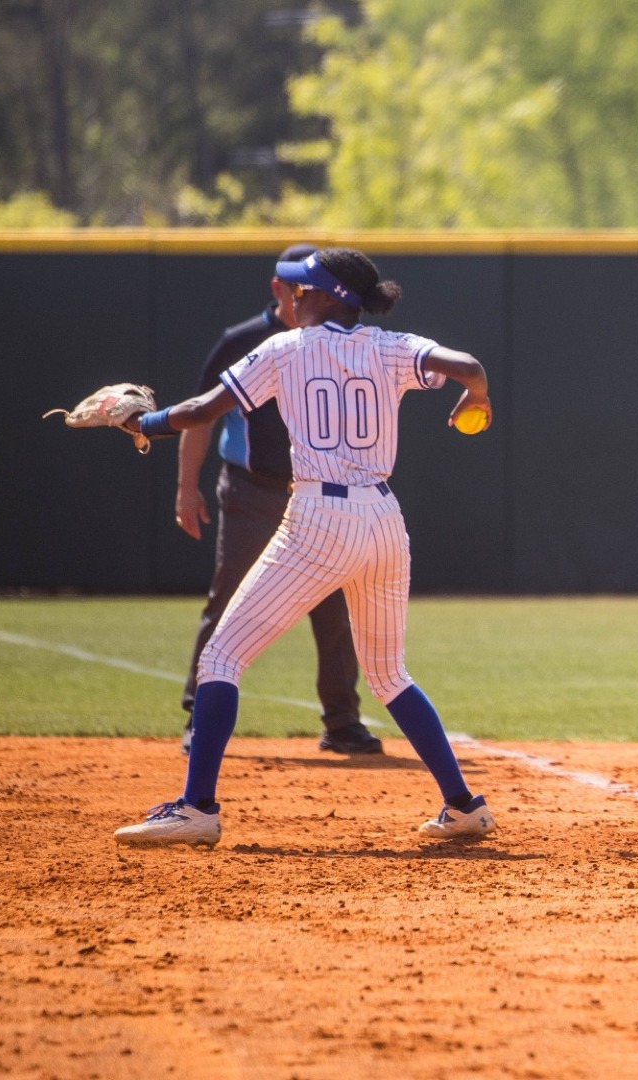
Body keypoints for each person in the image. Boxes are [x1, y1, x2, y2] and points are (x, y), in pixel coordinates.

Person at [112, 247, 498, 848]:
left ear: (326, 296)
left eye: (300, 289)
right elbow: (469, 364)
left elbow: (202, 410)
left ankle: (197, 808)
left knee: (220, 660)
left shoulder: (283, 349)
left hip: (319, 518)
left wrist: (145, 423)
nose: (290, 297)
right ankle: (463, 804)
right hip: (383, 518)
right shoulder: (390, 346)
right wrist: (475, 397)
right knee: (390, 673)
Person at [175, 242, 377, 757]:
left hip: (319, 498)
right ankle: (200, 714)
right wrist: (186, 486)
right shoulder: (244, 341)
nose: (302, 297)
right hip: (253, 492)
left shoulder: (340, 341)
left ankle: (342, 721)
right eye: (297, 289)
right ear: (279, 291)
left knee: (334, 608)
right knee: (228, 600)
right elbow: (200, 414)